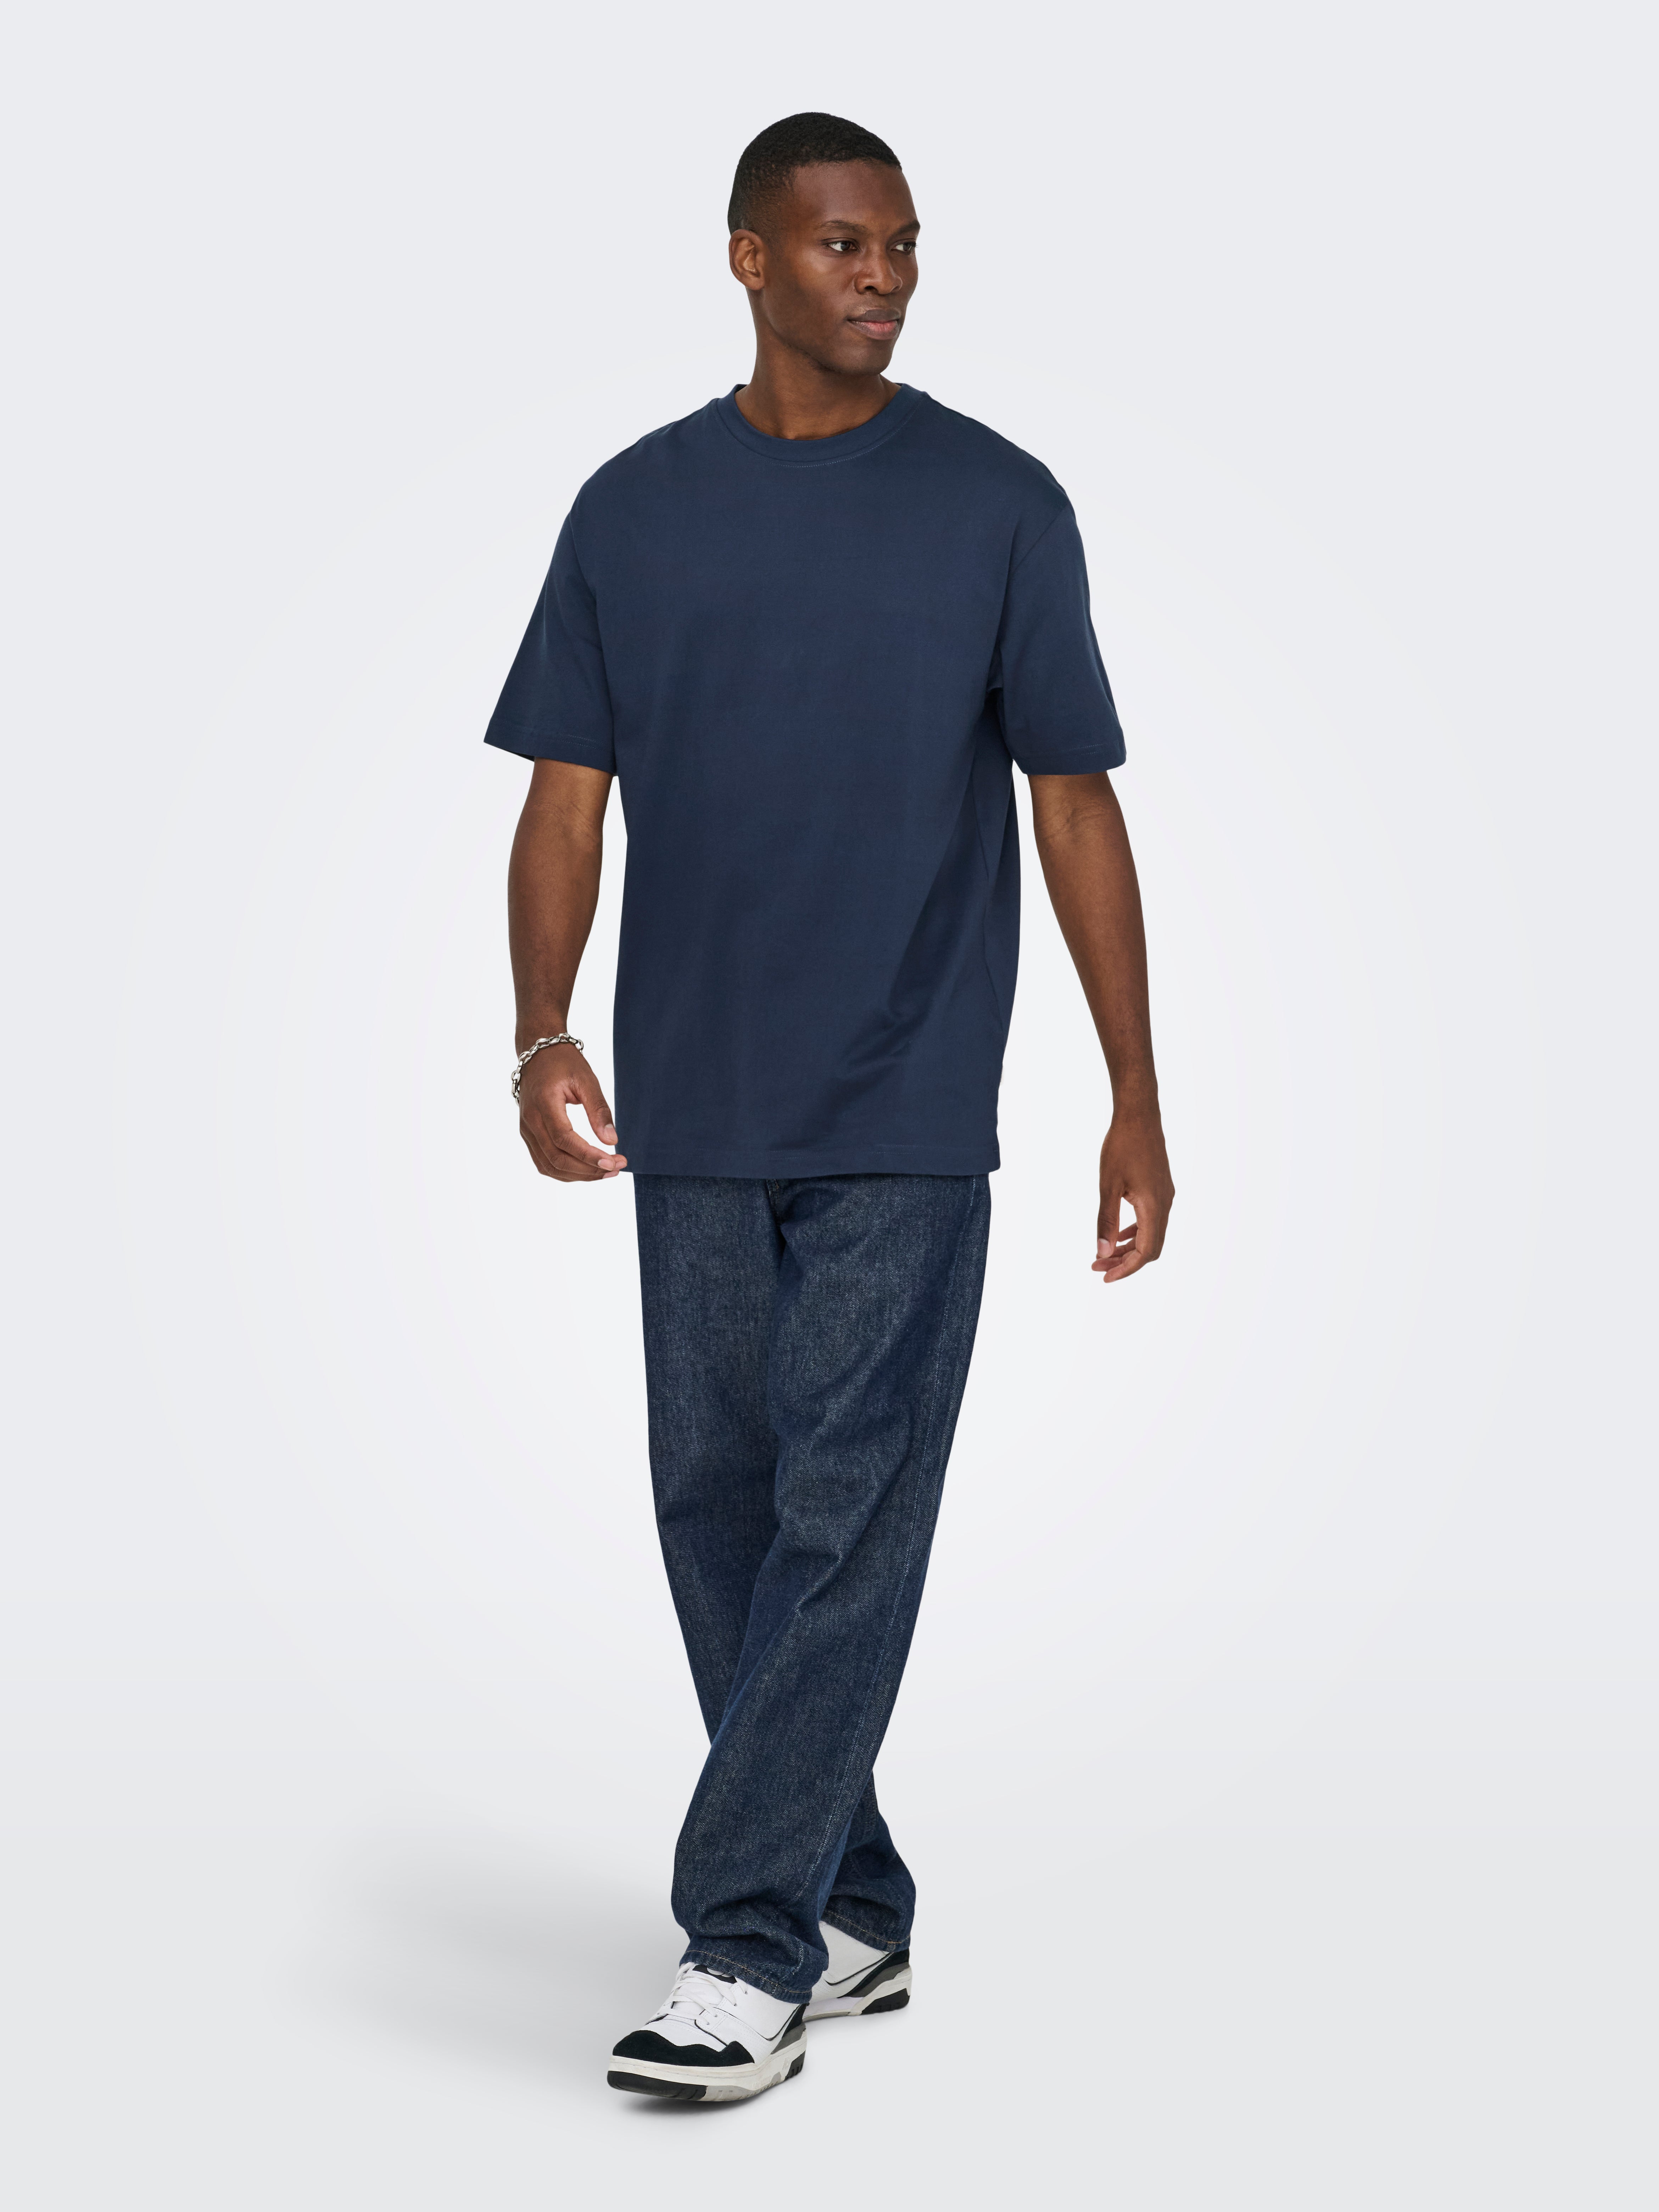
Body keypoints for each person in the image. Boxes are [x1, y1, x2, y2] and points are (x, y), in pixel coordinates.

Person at [486, 112, 1174, 2104]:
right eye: (843, 245)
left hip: (904, 1097)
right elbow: (562, 799)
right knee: (717, 1506)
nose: (882, 278)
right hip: (691, 1101)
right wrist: (538, 1032)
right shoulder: (631, 508)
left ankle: (746, 1948)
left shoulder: (998, 504)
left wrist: (1136, 1093)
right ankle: (850, 1896)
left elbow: (1071, 804)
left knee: (842, 1515)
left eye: (903, 246)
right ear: (748, 259)